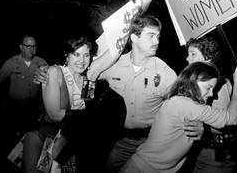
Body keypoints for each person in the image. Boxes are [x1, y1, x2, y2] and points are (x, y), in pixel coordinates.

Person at [34, 14, 204, 172]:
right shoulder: (112, 65)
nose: (156, 41)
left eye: (158, 36)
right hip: (117, 140)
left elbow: (182, 105)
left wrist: (196, 124)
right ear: (134, 38)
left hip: (151, 140)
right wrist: (46, 71)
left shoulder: (166, 74)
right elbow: (89, 80)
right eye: (151, 35)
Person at [120, 61, 237, 173]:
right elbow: (231, 119)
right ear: (194, 81)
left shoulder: (181, 102)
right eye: (208, 87)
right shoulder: (184, 105)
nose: (211, 93)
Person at [22, 32, 127, 173]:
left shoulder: (87, 82)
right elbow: (56, 115)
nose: (82, 60)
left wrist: (127, 29)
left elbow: (110, 56)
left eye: (86, 55)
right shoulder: (55, 72)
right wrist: (88, 115)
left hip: (67, 146)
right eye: (76, 54)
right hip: (42, 139)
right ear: (67, 55)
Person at [184, 36, 237, 173]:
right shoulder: (190, 87)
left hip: (230, 156)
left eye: (193, 54)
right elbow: (230, 120)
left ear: (208, 58)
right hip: (206, 156)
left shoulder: (225, 83)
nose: (187, 58)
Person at [0, 35, 48, 148]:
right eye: (28, 46)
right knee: (13, 137)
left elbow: (50, 80)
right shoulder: (11, 63)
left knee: (31, 136)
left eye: (34, 46)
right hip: (15, 107)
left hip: (33, 106)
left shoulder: (41, 62)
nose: (32, 49)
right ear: (21, 47)